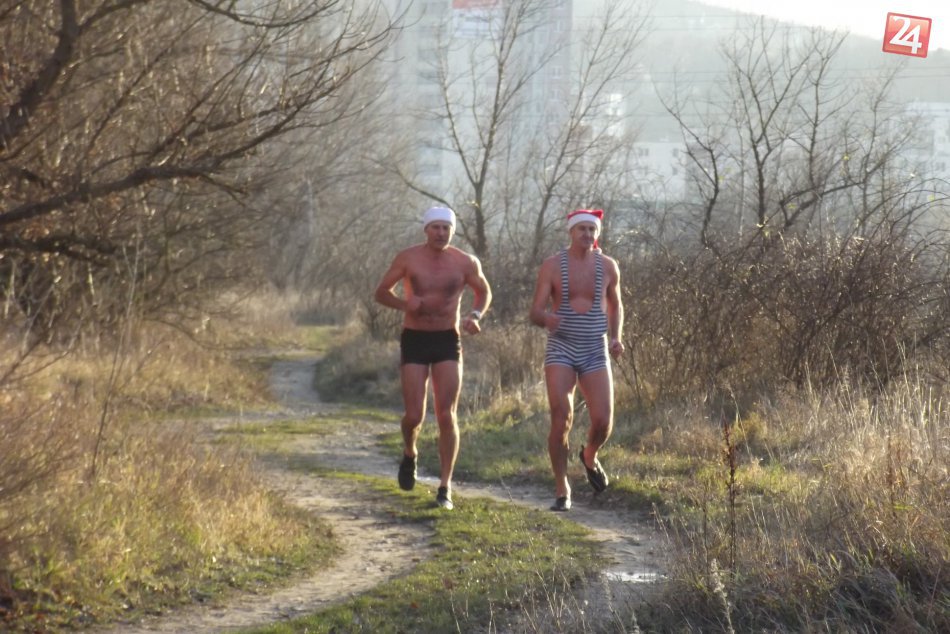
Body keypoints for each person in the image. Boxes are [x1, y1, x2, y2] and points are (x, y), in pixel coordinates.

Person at [374, 206, 492, 510]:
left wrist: (475, 315)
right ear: (426, 229)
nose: (441, 233)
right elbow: (381, 292)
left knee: (446, 415)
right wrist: (405, 304)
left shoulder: (465, 261)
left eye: (446, 228)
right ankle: (410, 452)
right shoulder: (408, 258)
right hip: (415, 339)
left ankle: (445, 486)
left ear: (452, 231)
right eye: (435, 227)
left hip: (447, 339)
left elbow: (484, 291)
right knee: (414, 415)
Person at [529, 209, 624, 512]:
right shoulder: (552, 265)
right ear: (571, 232)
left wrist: (615, 337)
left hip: (595, 348)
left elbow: (616, 305)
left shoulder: (608, 266)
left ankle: (590, 455)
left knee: (603, 421)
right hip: (562, 347)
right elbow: (535, 311)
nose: (587, 234)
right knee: (561, 416)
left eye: (592, 230)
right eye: (582, 229)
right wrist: (546, 318)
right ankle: (562, 489)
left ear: (598, 234)